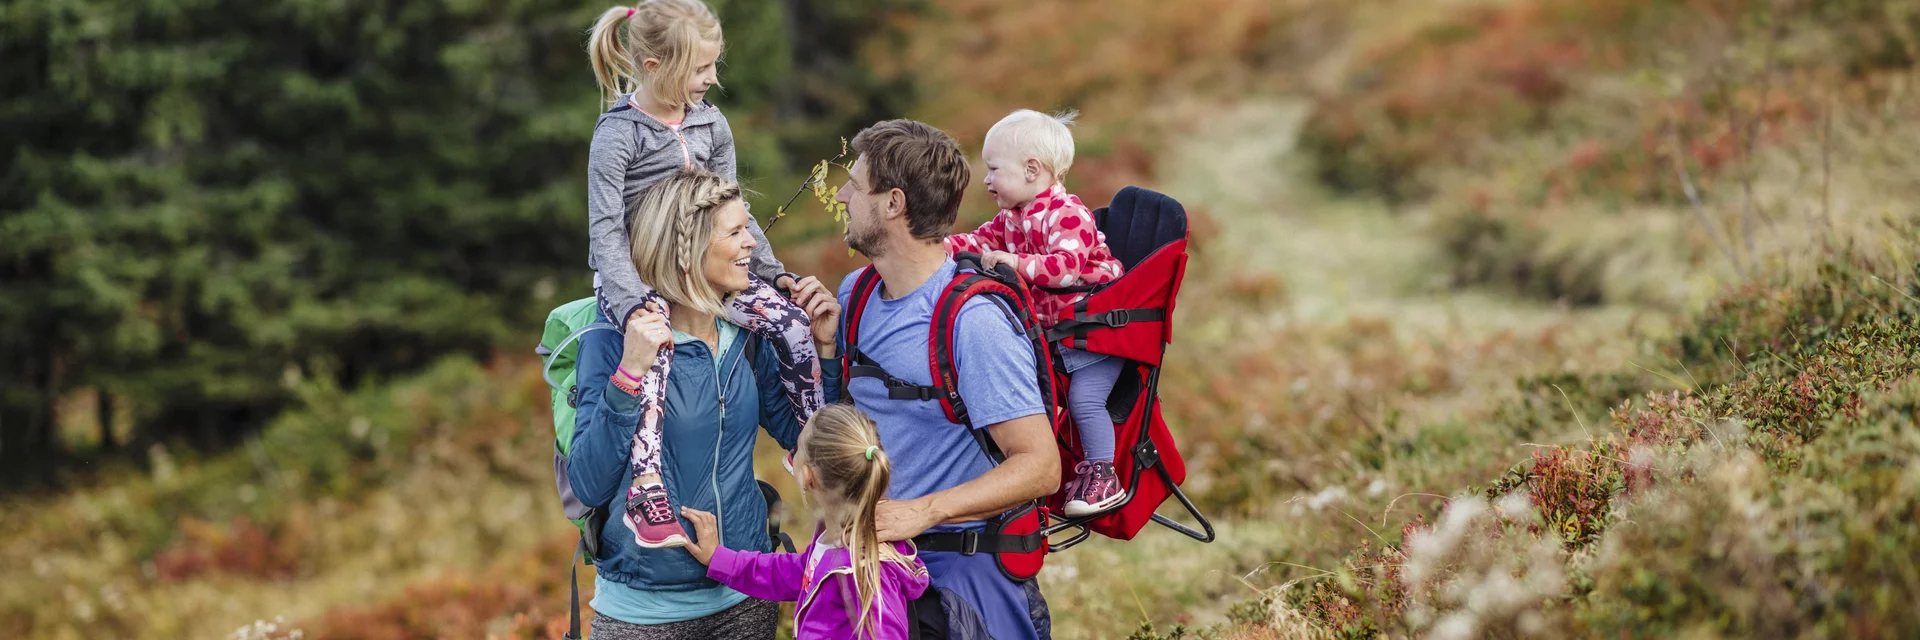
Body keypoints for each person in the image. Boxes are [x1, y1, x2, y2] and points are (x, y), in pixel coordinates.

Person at [584, 0, 825, 549]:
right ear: (653, 66)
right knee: (657, 354)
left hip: (704, 278)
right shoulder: (618, 135)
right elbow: (605, 232)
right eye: (699, 69)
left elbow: (736, 209)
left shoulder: (710, 122)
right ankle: (647, 490)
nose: (712, 79)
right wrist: (631, 306)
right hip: (640, 282)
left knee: (789, 323)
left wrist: (774, 274)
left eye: (713, 65)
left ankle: (814, 441)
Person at [568, 170, 844, 639]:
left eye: (748, 229)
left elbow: (808, 439)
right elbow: (588, 484)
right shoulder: (614, 337)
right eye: (735, 232)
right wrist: (629, 374)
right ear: (687, 248)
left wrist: (824, 352)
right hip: (645, 612)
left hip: (743, 591)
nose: (751, 244)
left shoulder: (747, 333)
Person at [832, 119, 1061, 640]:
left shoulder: (973, 322)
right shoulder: (856, 293)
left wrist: (924, 512)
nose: (843, 195)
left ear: (893, 203)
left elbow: (1041, 467)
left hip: (971, 582)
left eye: (855, 184)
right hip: (881, 575)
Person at [944, 109, 1128, 516]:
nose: (986, 179)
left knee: (1085, 401)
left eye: (993, 169)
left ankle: (1103, 473)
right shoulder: (1012, 218)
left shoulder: (1068, 214)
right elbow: (975, 241)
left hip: (1097, 332)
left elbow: (1065, 270)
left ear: (1031, 169)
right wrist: (934, 245)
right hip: (1061, 336)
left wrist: (1011, 261)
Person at [682, 404, 932, 639]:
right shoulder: (833, 540)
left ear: (807, 476)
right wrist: (718, 559)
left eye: (798, 447)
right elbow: (788, 573)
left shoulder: (864, 571)